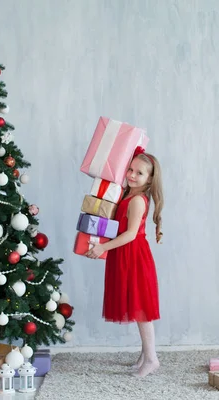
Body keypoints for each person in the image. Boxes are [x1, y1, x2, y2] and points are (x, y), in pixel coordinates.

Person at [85, 146, 164, 378]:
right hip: (126, 254)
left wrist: (102, 247)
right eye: (130, 169)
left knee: (142, 308)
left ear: (149, 179)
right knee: (136, 304)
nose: (131, 175)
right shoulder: (126, 195)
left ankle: (152, 358)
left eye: (139, 173)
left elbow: (130, 234)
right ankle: (144, 355)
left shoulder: (138, 200)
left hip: (134, 256)